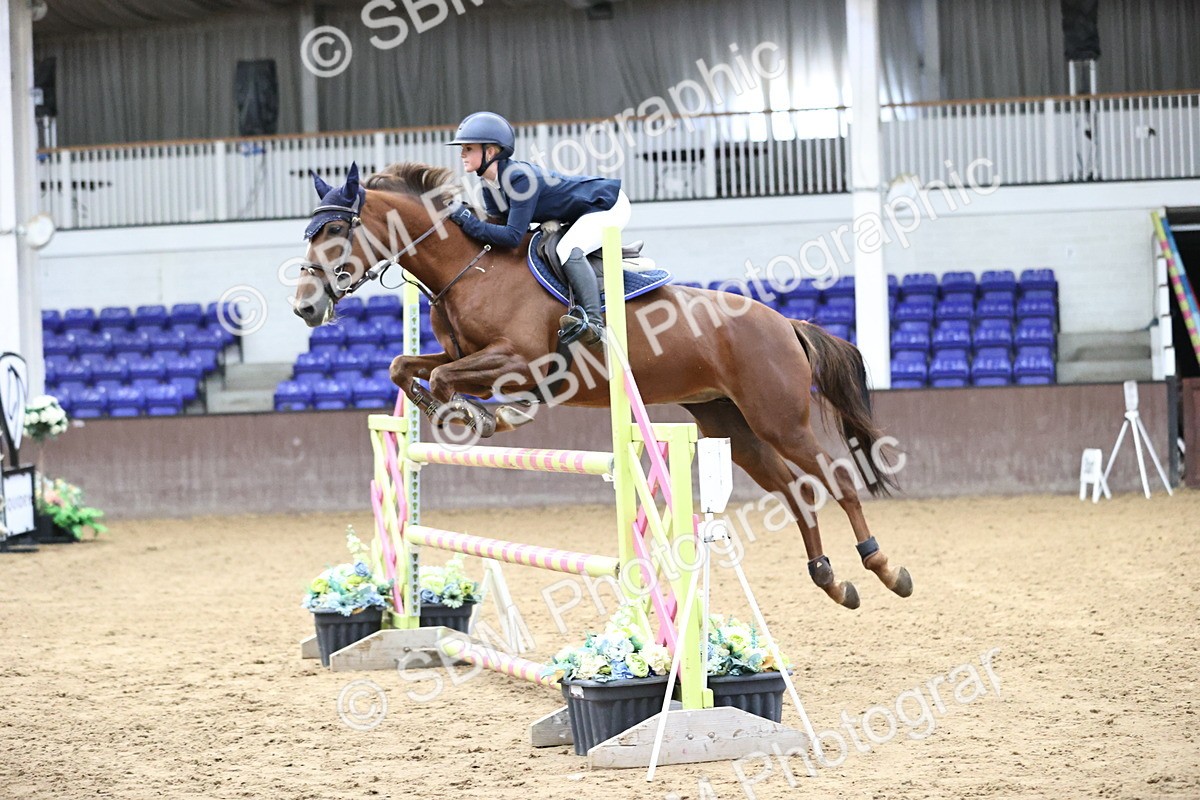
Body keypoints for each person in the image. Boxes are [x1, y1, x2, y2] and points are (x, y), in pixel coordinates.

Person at [444, 111, 630, 348]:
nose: (462, 153)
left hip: (608, 205)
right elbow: (495, 227)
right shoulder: (489, 185)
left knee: (567, 249)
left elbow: (512, 236)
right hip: (579, 212)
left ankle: (594, 324)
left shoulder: (519, 178)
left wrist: (468, 221)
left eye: (468, 148)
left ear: (490, 151)